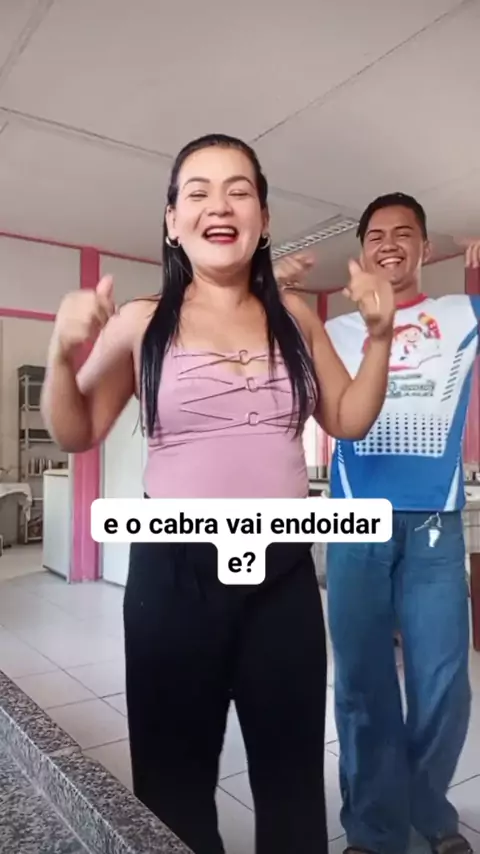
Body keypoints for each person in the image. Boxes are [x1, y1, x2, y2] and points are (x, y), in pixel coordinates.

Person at [41, 134, 395, 854]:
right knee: (172, 790)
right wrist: (59, 352)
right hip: (173, 577)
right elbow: (76, 430)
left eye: (239, 191)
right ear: (172, 220)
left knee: (293, 786)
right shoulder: (142, 321)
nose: (220, 206)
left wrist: (381, 337)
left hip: (283, 578)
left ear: (263, 218)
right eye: (197, 192)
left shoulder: (296, 318)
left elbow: (347, 417)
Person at [275, 193, 479, 854]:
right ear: (363, 250)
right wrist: (271, 284)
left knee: (444, 687)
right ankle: (373, 826)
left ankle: (428, 807)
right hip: (355, 525)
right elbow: (252, 340)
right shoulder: (334, 330)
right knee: (363, 686)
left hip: (434, 528)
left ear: (424, 247)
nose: (390, 243)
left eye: (404, 233)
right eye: (377, 235)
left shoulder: (461, 314)